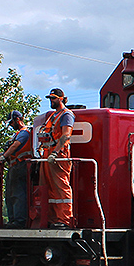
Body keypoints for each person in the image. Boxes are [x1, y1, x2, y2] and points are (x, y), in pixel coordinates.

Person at [37, 88, 76, 227]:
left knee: (61, 187)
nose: (51, 101)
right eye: (49, 98)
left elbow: (66, 135)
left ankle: (64, 219)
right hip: (48, 154)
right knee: (49, 187)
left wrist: (56, 152)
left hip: (59, 155)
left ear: (61, 98)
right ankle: (53, 219)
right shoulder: (52, 116)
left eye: (53, 98)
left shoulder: (67, 115)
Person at [0, 111, 32, 227]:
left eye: (11, 122)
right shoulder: (17, 134)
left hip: (21, 166)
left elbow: (15, 146)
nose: (11, 125)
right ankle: (12, 220)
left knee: (18, 194)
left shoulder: (24, 133)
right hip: (14, 167)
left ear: (18, 119)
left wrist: (3, 157)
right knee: (10, 195)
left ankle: (19, 220)